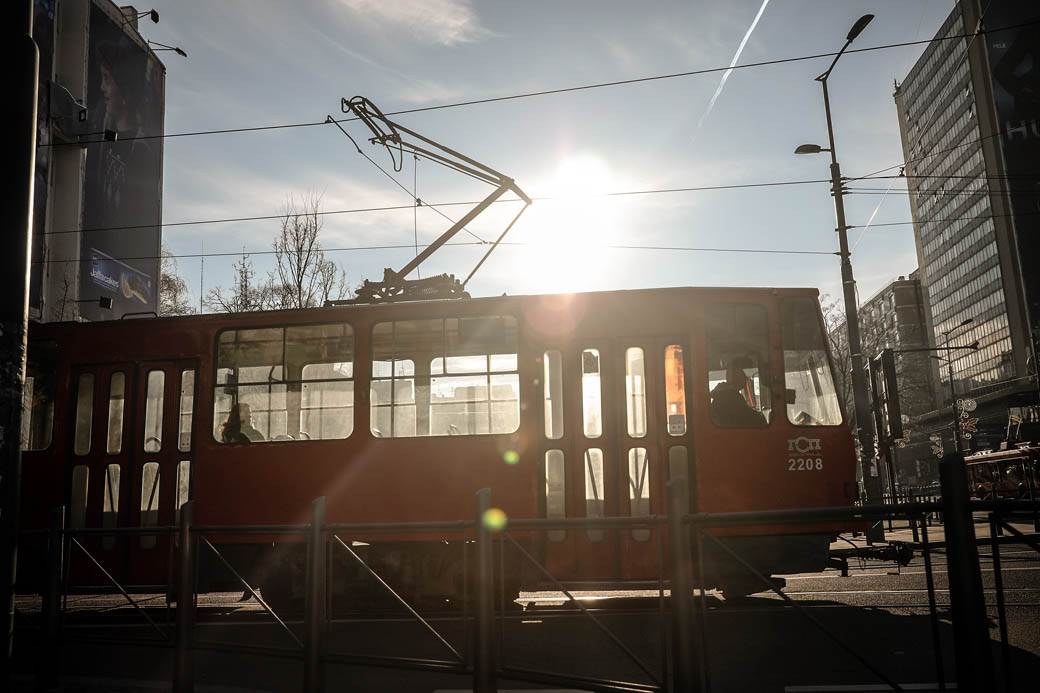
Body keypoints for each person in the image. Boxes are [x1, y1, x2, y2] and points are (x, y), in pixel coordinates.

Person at [711, 356, 767, 427]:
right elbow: (745, 417)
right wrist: (760, 417)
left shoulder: (718, 398)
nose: (745, 377)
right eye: (741, 373)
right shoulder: (733, 398)